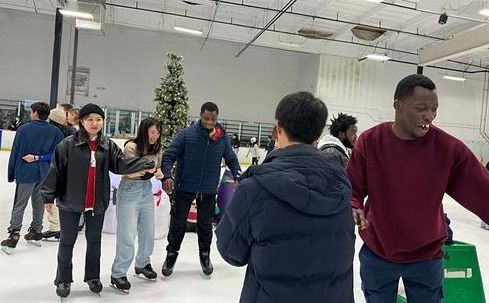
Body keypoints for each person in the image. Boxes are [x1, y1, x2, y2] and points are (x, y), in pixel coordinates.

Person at [346, 74, 489, 303]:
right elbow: (351, 188)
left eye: (434, 109)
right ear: (398, 106)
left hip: (426, 258)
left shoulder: (448, 150)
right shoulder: (371, 142)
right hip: (378, 254)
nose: (429, 116)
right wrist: (353, 206)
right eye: (421, 108)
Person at [216, 92, 355, 303]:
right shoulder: (340, 183)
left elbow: (231, 252)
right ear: (318, 134)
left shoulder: (254, 188)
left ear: (278, 129)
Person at [40, 103, 155, 298]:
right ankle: (63, 280)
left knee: (94, 241)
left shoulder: (107, 145)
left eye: (98, 119)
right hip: (70, 201)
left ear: (103, 121)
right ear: (82, 121)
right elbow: (55, 171)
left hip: (96, 203)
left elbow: (120, 164)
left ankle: (92, 277)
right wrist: (48, 196)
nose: (95, 123)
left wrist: (143, 162)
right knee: (67, 241)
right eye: (90, 119)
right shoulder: (67, 145)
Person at [161, 102, 241, 277]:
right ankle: (171, 255)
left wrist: (238, 175)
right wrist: (167, 175)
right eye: (206, 118)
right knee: (178, 224)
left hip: (208, 190)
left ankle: (205, 255)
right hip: (184, 187)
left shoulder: (222, 139)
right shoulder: (186, 135)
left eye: (213, 119)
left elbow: (232, 160)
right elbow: (169, 155)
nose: (209, 122)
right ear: (200, 115)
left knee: (205, 226)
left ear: (217, 118)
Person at [1, 102, 64, 255]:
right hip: (45, 173)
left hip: (26, 172)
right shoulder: (56, 132)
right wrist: (40, 158)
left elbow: (16, 151)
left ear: (35, 113)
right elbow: (56, 155)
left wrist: (11, 173)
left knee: (20, 204)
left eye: (31, 112)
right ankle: (36, 230)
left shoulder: (24, 129)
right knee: (39, 203)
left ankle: (14, 234)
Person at [110, 117, 164, 292]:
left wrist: (159, 171)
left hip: (145, 191)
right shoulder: (131, 147)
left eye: (158, 132)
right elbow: (128, 170)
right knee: (127, 234)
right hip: (130, 190)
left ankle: (142, 263)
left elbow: (159, 166)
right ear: (144, 131)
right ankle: (118, 273)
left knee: (148, 231)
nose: (155, 136)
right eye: (152, 132)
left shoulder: (157, 148)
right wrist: (147, 170)